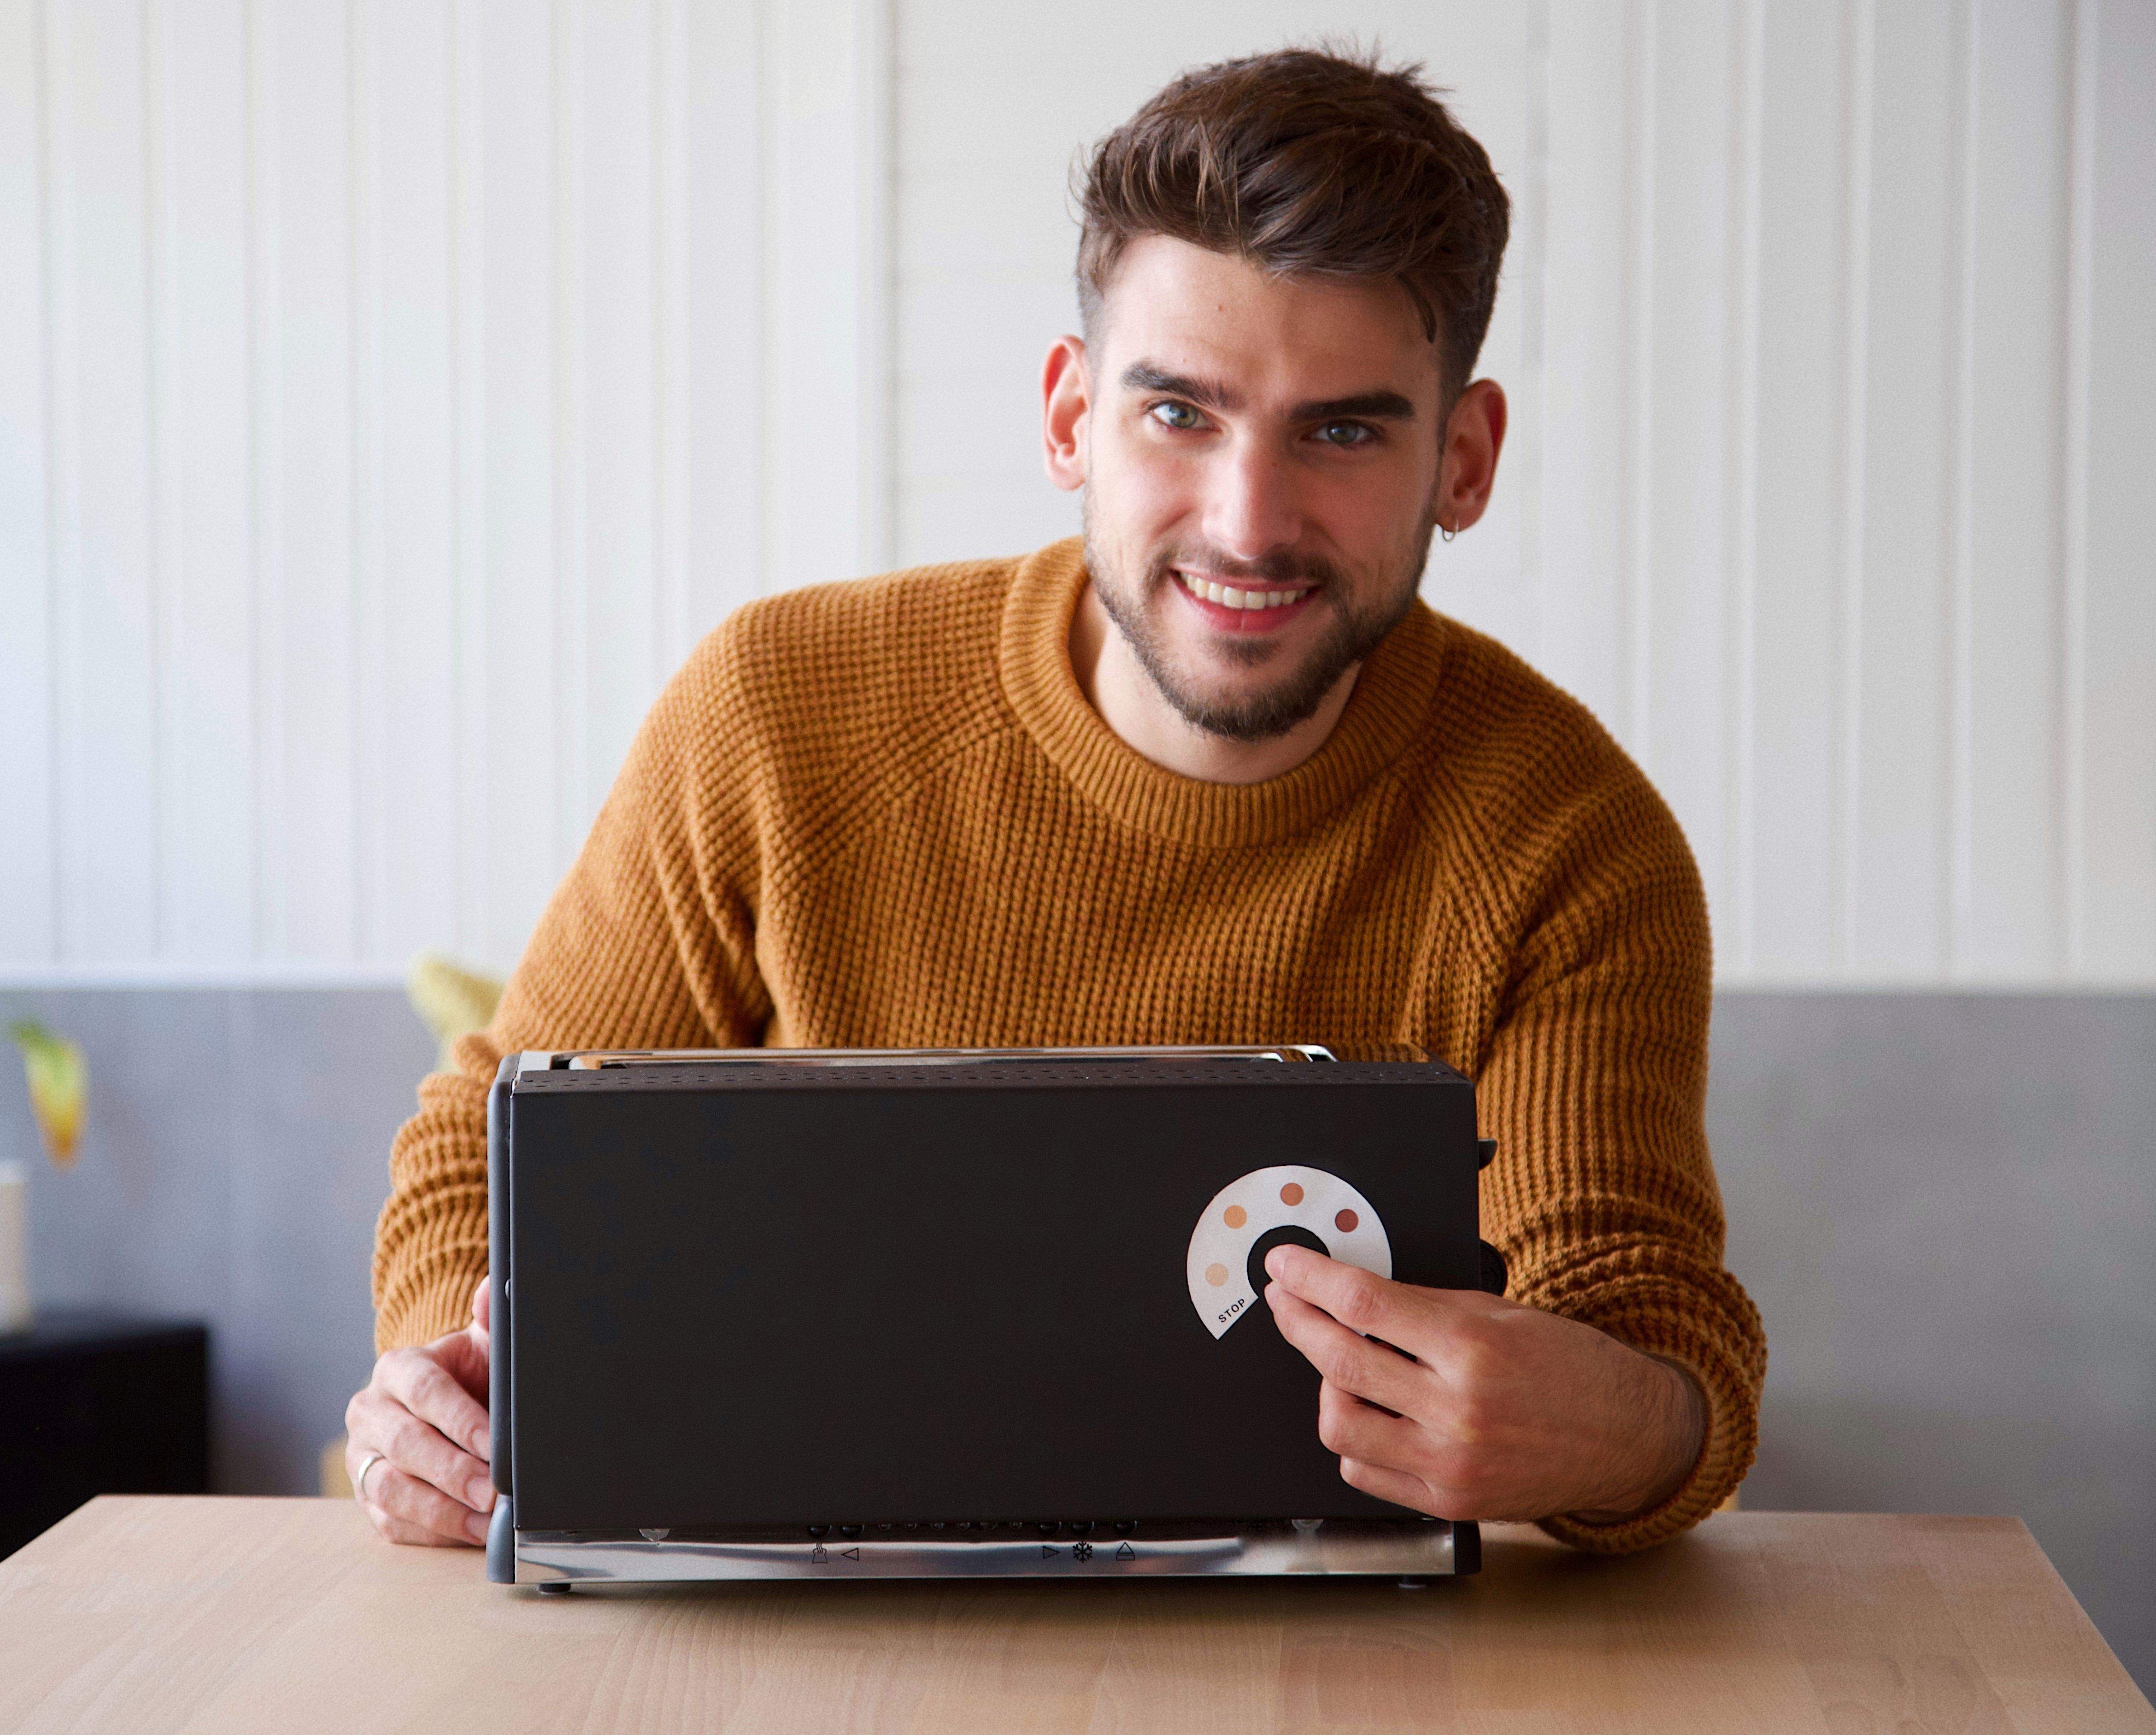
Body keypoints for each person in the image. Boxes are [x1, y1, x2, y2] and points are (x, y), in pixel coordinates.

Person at [346, 44, 1765, 1555]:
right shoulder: (776, 711)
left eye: (1343, 429)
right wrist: (459, 1396)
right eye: (1179, 414)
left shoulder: (1569, 837)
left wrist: (1617, 1426)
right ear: (1070, 416)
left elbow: (1652, 1334)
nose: (1248, 520)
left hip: (1336, 1668)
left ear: (1463, 461)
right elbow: (485, 1158)